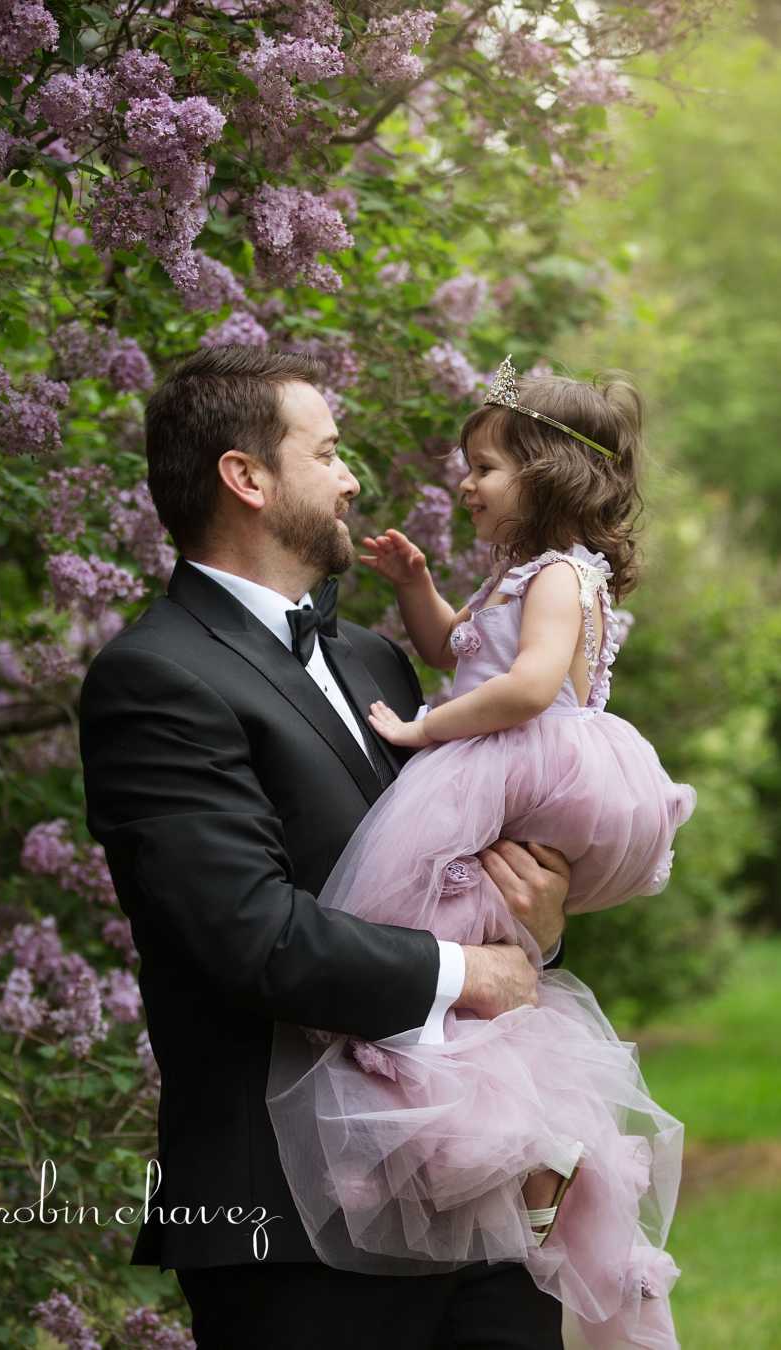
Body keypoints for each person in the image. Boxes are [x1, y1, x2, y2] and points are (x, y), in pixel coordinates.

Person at [78, 345, 576, 1350]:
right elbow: (245, 932)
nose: (353, 479)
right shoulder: (154, 679)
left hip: (468, 1191)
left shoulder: (373, 656)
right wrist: (465, 972)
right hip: (290, 1222)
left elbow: (464, 872)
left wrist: (539, 928)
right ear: (248, 478)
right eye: (330, 452)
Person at [265, 357, 694, 1350]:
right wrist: (417, 587)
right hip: (499, 758)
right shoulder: (512, 574)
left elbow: (533, 684)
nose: (467, 483)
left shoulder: (560, 576)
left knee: (417, 920)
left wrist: (430, 732)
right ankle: (498, 1145)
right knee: (459, 948)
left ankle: (513, 1151)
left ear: (550, 476)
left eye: (487, 466)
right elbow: (460, 643)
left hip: (525, 759)